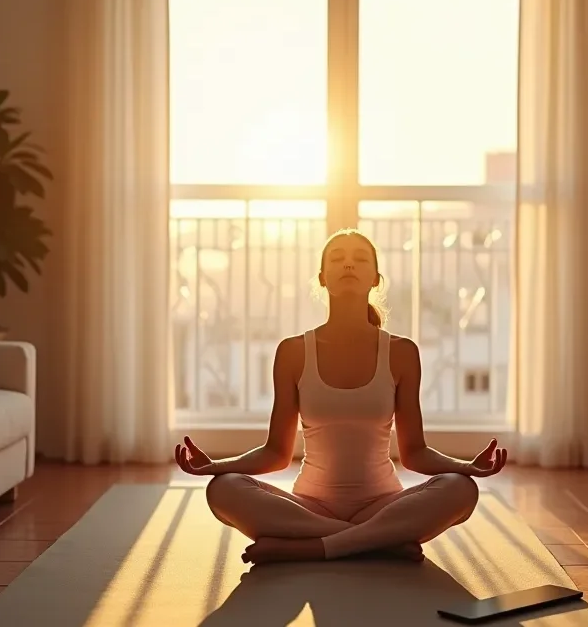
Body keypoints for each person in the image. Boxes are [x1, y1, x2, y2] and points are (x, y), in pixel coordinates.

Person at [175, 228, 508, 565]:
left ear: (376, 279)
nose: (348, 264)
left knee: (461, 489)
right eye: (337, 258)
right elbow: (276, 453)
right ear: (322, 277)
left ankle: (311, 547)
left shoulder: (401, 352)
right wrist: (217, 466)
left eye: (360, 258)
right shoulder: (293, 352)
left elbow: (414, 453)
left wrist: (465, 467)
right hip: (309, 507)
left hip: (383, 505)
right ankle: (378, 542)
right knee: (223, 489)